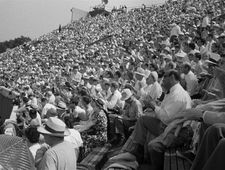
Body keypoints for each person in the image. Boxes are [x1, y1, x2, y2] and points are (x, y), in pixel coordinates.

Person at [121, 69, 192, 166]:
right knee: (142, 120)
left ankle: (155, 166)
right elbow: (164, 113)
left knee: (153, 146)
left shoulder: (178, 94)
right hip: (168, 125)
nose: (162, 80)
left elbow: (166, 118)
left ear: (171, 78)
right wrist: (153, 108)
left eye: (165, 77)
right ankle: (137, 153)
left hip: (177, 131)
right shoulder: (173, 91)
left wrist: (153, 106)